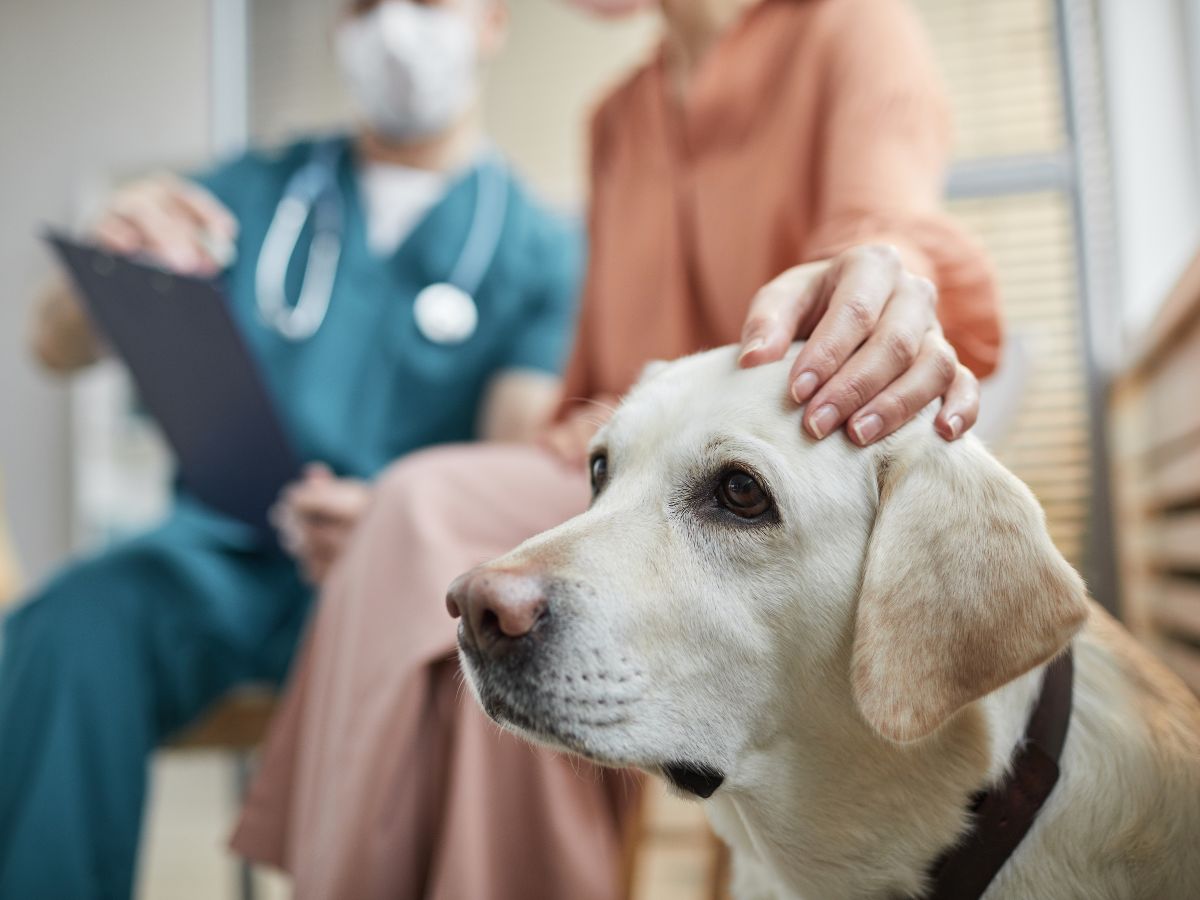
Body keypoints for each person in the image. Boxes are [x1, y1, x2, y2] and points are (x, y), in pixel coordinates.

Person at [231, 0, 1002, 897]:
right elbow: (593, 397)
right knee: (422, 525)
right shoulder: (615, 119)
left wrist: (881, 274)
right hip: (619, 475)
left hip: (772, 485)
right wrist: (444, 508)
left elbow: (887, 222)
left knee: (424, 513)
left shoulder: (849, 27)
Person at [0, 1, 581, 896]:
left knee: (456, 696)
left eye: (426, 3)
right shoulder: (256, 191)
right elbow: (52, 344)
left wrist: (390, 525)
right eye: (361, 4)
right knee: (69, 627)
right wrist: (109, 252)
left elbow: (508, 453)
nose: (391, 27)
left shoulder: (540, 248)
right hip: (219, 562)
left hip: (397, 582)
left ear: (492, 21)